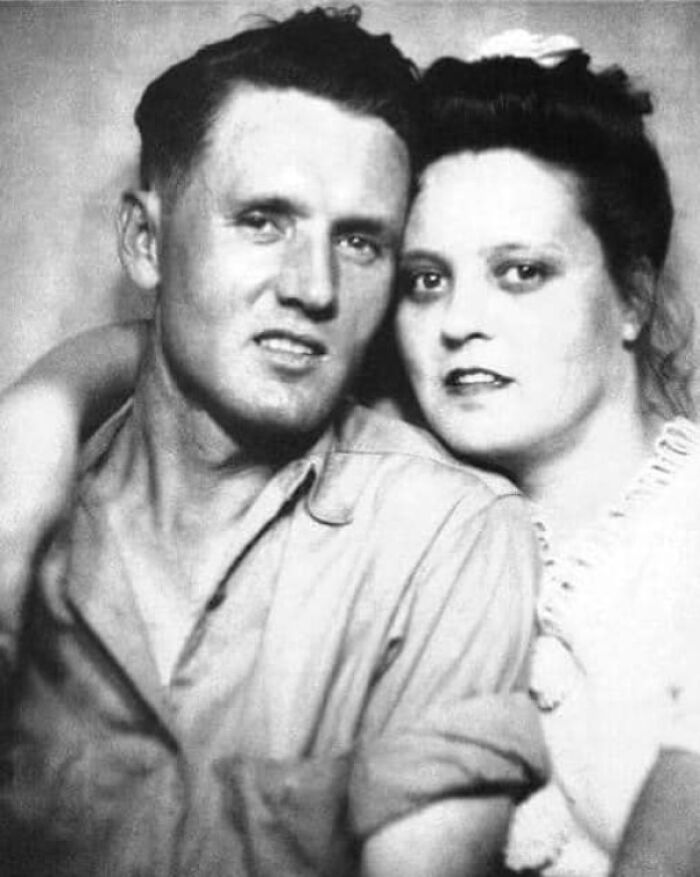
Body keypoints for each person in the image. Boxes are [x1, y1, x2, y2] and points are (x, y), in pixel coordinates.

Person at [0, 9, 546, 877]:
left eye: (362, 241)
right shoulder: (25, 499)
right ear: (146, 242)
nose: (314, 287)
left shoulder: (447, 537)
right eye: (263, 220)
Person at [394, 32, 700, 876]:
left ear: (633, 296)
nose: (459, 321)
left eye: (520, 271)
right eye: (425, 279)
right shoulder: (408, 525)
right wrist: (54, 399)